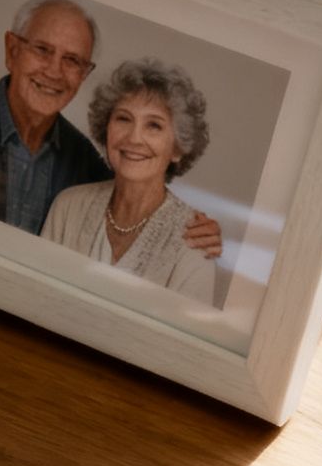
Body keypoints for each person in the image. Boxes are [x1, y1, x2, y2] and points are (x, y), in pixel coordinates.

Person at [0, 0, 220, 256]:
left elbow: (136, 195)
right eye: (42, 50)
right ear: (12, 50)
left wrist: (197, 227)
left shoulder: (83, 159)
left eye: (72, 60)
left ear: (84, 74)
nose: (54, 71)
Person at [41, 59, 217, 306]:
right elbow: (36, 299)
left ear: (178, 148)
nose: (134, 138)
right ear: (106, 129)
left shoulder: (194, 242)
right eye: (124, 119)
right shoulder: (67, 206)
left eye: (153, 125)